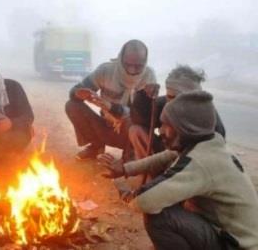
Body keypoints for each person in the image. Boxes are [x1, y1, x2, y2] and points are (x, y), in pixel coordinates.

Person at [100, 91, 258, 250]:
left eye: (165, 125)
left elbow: (144, 202)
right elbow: (165, 156)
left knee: (160, 217)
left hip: (236, 245)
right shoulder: (210, 143)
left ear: (185, 128)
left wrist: (126, 192)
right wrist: (125, 169)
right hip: (236, 235)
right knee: (174, 204)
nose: (160, 131)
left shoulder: (199, 161)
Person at [65, 39, 158, 161]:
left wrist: (110, 106)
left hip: (128, 133)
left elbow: (144, 117)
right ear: (120, 58)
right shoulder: (106, 71)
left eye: (138, 66)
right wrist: (79, 94)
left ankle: (130, 153)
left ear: (145, 62)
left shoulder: (149, 76)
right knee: (72, 105)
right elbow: (75, 91)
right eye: (127, 64)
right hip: (104, 126)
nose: (132, 70)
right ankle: (96, 146)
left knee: (134, 121)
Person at [129, 65, 226, 160]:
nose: (173, 103)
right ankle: (151, 171)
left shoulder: (208, 117)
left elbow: (214, 150)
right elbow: (139, 119)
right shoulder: (166, 103)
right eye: (170, 97)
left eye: (179, 98)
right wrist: (143, 95)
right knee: (136, 130)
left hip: (193, 161)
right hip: (165, 155)